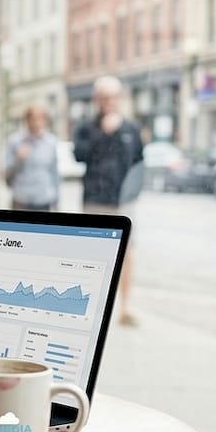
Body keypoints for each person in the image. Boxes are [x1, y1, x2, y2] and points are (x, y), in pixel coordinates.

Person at [74, 75, 144, 326]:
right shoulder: (85, 128)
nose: (108, 102)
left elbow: (138, 162)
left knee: (128, 253)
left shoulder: (131, 128)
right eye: (103, 97)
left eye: (112, 97)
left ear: (119, 99)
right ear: (96, 100)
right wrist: (103, 134)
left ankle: (125, 307)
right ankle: (90, 309)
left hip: (124, 203)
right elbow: (79, 156)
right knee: (93, 256)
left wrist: (133, 192)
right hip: (95, 200)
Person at [3, 103, 61, 211]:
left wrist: (57, 201)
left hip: (44, 200)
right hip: (21, 200)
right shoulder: (15, 142)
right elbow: (6, 175)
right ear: (26, 120)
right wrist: (18, 159)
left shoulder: (51, 142)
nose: (36, 123)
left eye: (40, 118)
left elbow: (54, 173)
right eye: (33, 119)